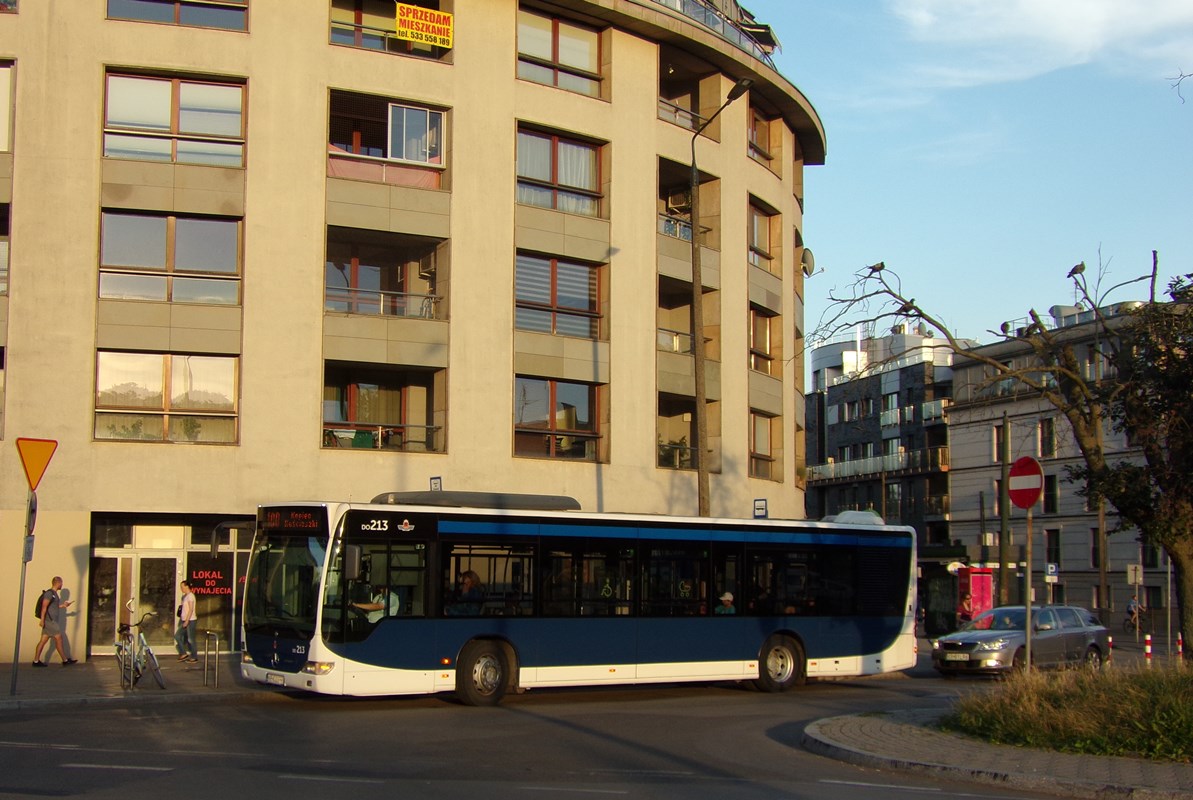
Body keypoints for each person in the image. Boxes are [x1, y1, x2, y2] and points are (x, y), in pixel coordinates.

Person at [33, 577, 77, 667]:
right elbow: (44, 607)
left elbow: (53, 607)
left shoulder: (54, 594)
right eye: (61, 583)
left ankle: (36, 661)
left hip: (50, 621)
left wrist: (63, 605)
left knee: (43, 640)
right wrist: (42, 620)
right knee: (58, 638)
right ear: (58, 583)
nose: (62, 585)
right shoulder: (49, 593)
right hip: (50, 621)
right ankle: (65, 660)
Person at [174, 580, 198, 663]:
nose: (181, 589)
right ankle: (183, 653)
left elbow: (191, 610)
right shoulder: (185, 596)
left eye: (182, 587)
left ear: (187, 586)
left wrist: (187, 621)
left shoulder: (191, 596)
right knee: (177, 636)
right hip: (184, 619)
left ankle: (194, 656)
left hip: (190, 620)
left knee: (191, 639)